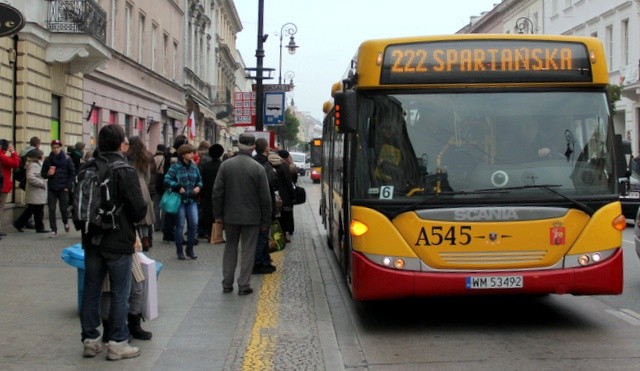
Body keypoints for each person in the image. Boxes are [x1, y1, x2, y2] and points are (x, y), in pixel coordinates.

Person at [80, 124, 146, 360]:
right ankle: (118, 343)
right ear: (120, 144)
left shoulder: (87, 167)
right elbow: (139, 210)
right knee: (120, 292)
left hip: (91, 239)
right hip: (118, 240)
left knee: (91, 290)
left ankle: (90, 340)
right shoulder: (124, 170)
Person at [212, 133, 271, 295]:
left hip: (230, 215)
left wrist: (218, 215)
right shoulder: (258, 168)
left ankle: (227, 283)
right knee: (248, 250)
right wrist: (266, 220)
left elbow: (217, 192)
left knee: (230, 247)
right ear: (253, 147)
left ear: (238, 145)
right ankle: (244, 285)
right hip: (252, 217)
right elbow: (265, 198)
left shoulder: (226, 166)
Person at [164, 143, 203, 260]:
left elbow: (200, 180)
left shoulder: (194, 166)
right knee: (180, 225)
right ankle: (179, 250)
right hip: (179, 200)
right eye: (190, 152)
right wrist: (176, 186)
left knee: (194, 223)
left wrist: (198, 187)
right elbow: (166, 179)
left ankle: (190, 249)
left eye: (193, 152)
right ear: (183, 154)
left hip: (191, 199)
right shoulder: (176, 166)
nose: (192, 154)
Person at [252, 138, 278, 274]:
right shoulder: (266, 165)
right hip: (263, 205)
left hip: (252, 205)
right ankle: (258, 263)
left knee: (259, 236)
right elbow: (271, 184)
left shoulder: (253, 161)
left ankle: (264, 260)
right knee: (262, 236)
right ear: (266, 149)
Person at [41, 139, 75, 238]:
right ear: (51, 148)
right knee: (51, 209)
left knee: (64, 209)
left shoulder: (67, 159)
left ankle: (65, 222)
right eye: (54, 148)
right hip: (52, 187)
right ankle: (53, 230)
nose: (55, 149)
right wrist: (48, 174)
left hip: (63, 188)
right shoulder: (48, 160)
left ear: (61, 148)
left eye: (57, 147)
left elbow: (72, 173)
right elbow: (43, 174)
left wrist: (67, 187)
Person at [126, 136, 155, 250]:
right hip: (142, 184)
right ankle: (146, 238)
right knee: (145, 215)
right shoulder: (144, 157)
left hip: (131, 183)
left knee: (133, 213)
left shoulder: (127, 157)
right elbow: (148, 176)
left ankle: (136, 240)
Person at [13, 149, 49, 233]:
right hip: (36, 192)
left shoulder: (35, 164)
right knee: (38, 211)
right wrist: (42, 183)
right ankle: (39, 228)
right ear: (39, 156)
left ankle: (19, 223)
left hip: (36, 192)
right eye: (42, 155)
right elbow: (31, 177)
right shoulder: (34, 165)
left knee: (31, 210)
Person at [162, 135, 188, 243]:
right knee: (175, 211)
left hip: (171, 185)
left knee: (171, 211)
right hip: (175, 186)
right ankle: (173, 235)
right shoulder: (175, 158)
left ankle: (168, 233)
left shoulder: (170, 154)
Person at [199, 143, 225, 243]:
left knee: (208, 214)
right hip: (221, 193)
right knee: (219, 213)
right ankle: (219, 234)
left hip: (207, 193)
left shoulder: (206, 166)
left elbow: (202, 179)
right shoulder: (223, 165)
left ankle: (209, 234)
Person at [271, 150, 295, 243]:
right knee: (284, 217)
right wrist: (293, 196)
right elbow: (289, 183)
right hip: (284, 196)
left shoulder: (270, 166)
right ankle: (282, 236)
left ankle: (275, 236)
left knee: (277, 216)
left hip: (274, 195)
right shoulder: (284, 167)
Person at [0, 139, 19, 237]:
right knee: (0, 207)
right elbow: (16, 164)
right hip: (3, 186)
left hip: (3, 185)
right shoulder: (2, 156)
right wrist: (13, 152)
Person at [152, 144, 166, 231]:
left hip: (155, 183)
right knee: (164, 205)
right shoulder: (165, 158)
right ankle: (163, 225)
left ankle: (157, 225)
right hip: (163, 183)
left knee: (156, 206)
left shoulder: (153, 158)